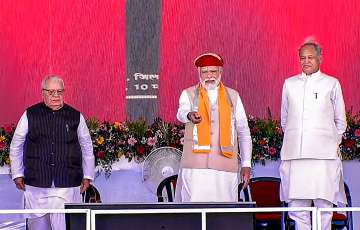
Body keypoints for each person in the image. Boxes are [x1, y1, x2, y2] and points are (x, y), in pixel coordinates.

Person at [10, 75, 95, 230]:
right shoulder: (30, 114)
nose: (56, 96)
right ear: (43, 93)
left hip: (68, 184)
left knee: (66, 226)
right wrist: (17, 174)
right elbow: (16, 145)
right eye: (51, 92)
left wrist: (88, 176)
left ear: (64, 92)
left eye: (59, 92)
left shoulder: (76, 116)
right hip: (36, 183)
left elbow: (87, 146)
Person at [279, 41, 347, 230]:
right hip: (295, 156)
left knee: (324, 206)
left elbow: (340, 121)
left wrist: (330, 143)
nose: (306, 61)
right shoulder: (289, 84)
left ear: (319, 58)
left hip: (323, 158)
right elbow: (285, 120)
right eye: (302, 58)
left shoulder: (331, 83)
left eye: (310, 57)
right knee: (297, 208)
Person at [175, 53, 252, 202]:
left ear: (220, 72)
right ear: (199, 73)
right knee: (194, 215)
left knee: (223, 216)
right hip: (195, 168)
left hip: (225, 167)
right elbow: (181, 112)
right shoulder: (188, 94)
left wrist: (246, 164)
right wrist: (189, 115)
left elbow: (243, 131)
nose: (209, 76)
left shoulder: (233, 96)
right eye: (205, 72)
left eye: (213, 71)